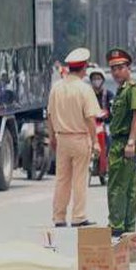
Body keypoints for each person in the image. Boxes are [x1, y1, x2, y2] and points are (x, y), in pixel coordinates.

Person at [47, 47, 101, 228]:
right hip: (79, 138)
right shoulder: (84, 90)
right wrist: (95, 142)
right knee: (79, 178)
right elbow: (90, 119)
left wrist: (52, 138)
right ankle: (78, 216)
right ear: (84, 67)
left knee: (62, 179)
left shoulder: (57, 88)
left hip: (61, 138)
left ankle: (59, 217)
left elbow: (49, 116)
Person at [106, 48, 136, 238]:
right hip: (119, 142)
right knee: (128, 187)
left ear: (128, 68)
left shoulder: (133, 90)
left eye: (120, 68)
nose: (115, 72)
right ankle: (128, 230)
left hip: (123, 143)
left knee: (117, 187)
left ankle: (116, 226)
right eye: (113, 69)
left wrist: (130, 142)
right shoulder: (121, 91)